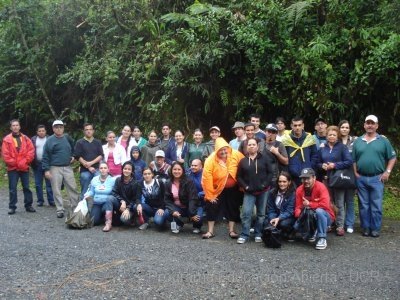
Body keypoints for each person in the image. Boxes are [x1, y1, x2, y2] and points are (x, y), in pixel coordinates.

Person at [352, 115, 397, 237]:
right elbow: (354, 159)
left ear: (377, 125)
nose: (370, 125)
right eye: (368, 123)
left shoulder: (383, 141)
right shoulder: (358, 141)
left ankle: (375, 228)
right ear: (364, 125)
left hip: (377, 178)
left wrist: (387, 172)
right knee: (363, 205)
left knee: (376, 205)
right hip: (361, 178)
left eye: (372, 123)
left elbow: (392, 157)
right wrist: (355, 173)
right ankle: (366, 227)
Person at [201, 137, 244, 239]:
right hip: (216, 188)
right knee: (211, 206)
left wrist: (243, 184)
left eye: (225, 149)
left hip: (233, 187)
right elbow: (207, 177)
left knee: (232, 207)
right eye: (221, 150)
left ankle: (232, 231)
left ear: (228, 148)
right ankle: (210, 231)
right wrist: (210, 195)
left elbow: (245, 165)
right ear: (216, 151)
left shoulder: (236, 154)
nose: (224, 152)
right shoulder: (210, 159)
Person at [317, 126, 353, 236]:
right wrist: (321, 165)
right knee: (327, 202)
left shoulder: (342, 147)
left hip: (338, 179)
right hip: (326, 179)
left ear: (337, 136)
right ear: (326, 136)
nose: (331, 136)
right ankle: (329, 223)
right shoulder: (323, 147)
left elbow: (349, 161)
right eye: (329, 135)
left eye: (334, 134)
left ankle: (340, 226)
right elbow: (317, 162)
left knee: (339, 203)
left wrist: (335, 165)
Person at [236, 138, 273, 244]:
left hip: (263, 190)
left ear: (258, 146)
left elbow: (270, 173)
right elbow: (238, 177)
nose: (251, 146)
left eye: (253, 144)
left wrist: (264, 184)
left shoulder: (265, 158)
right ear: (247, 147)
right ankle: (244, 234)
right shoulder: (243, 161)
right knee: (246, 213)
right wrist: (245, 187)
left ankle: (258, 233)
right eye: (249, 145)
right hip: (249, 191)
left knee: (261, 214)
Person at [42, 120, 79, 218]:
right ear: (53, 128)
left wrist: (73, 156)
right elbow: (45, 155)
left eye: (61, 127)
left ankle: (75, 207)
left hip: (67, 166)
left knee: (73, 187)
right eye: (56, 127)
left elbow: (74, 146)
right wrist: (46, 170)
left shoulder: (67, 137)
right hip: (54, 167)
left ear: (63, 128)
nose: (59, 129)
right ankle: (60, 209)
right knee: (56, 189)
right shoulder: (49, 140)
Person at [294, 168, 335, 250]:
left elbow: (325, 205)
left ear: (314, 178)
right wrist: (301, 216)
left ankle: (322, 238)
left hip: (326, 216)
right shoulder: (299, 190)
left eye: (308, 178)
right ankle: (311, 233)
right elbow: (297, 208)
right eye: (303, 178)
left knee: (319, 211)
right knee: (296, 225)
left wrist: (310, 204)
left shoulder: (321, 187)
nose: (305, 181)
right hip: (309, 214)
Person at [2, 119, 35, 214]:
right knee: (12, 188)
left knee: (27, 187)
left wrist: (24, 162)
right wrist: (17, 163)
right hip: (13, 168)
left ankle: (28, 205)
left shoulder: (26, 138)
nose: (15, 127)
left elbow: (31, 151)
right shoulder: (6, 140)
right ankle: (12, 207)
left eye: (17, 125)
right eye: (13, 125)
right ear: (11, 127)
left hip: (24, 167)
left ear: (19, 127)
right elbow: (5, 155)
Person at [165, 162, 202, 234]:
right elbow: (167, 199)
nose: (176, 171)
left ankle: (197, 226)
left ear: (182, 171)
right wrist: (173, 211)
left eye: (179, 169)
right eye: (174, 169)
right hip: (178, 207)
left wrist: (192, 214)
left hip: (191, 207)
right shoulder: (168, 182)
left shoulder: (189, 181)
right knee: (167, 213)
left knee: (198, 217)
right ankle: (179, 223)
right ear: (171, 170)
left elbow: (193, 198)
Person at [281, 116, 318, 186]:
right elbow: (284, 157)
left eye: (299, 125)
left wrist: (310, 166)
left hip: (307, 174)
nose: (297, 127)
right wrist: (287, 172)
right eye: (295, 125)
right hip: (292, 175)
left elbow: (314, 155)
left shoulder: (309, 138)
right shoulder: (286, 140)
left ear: (303, 125)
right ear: (291, 126)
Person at [83, 162, 116, 232]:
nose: (103, 170)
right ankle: (101, 216)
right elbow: (91, 191)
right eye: (101, 168)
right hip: (96, 203)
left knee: (108, 204)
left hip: (106, 203)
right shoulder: (94, 179)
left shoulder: (113, 180)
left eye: (105, 168)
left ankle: (108, 221)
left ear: (108, 170)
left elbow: (115, 193)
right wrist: (87, 194)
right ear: (99, 170)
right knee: (95, 222)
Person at [74, 123, 104, 198]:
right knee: (85, 186)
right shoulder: (79, 142)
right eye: (86, 130)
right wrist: (88, 167)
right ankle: (83, 208)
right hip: (84, 170)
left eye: (90, 129)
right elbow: (78, 156)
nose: (88, 131)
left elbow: (101, 155)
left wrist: (91, 163)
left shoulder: (97, 142)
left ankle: (97, 206)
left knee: (99, 188)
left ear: (93, 131)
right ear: (84, 131)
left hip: (96, 169)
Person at [338, 119, 357, 232]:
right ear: (339, 128)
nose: (344, 129)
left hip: (351, 174)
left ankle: (349, 224)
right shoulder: (335, 140)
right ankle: (339, 223)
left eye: (346, 127)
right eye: (342, 127)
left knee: (350, 200)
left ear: (349, 129)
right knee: (339, 201)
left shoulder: (355, 140)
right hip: (338, 175)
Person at [266, 172, 296, 240]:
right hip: (275, 216)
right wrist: (272, 219)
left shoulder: (293, 194)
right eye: (280, 181)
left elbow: (290, 211)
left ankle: (290, 232)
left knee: (283, 224)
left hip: (288, 217)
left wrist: (278, 218)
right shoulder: (272, 192)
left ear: (289, 182)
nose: (282, 184)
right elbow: (271, 209)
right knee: (267, 222)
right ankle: (277, 232)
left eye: (284, 181)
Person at [111, 161, 141, 225]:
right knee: (110, 198)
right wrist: (122, 201)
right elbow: (114, 192)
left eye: (129, 169)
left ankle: (133, 217)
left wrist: (128, 209)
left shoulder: (136, 183)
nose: (126, 171)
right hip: (121, 205)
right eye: (125, 169)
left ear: (132, 171)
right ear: (122, 169)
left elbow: (136, 199)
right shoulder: (118, 180)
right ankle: (111, 218)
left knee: (123, 220)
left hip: (130, 207)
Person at [31, 125, 54, 207]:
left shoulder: (50, 139)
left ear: (46, 131)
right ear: (37, 132)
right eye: (39, 131)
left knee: (49, 183)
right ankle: (40, 200)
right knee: (38, 184)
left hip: (48, 164)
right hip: (37, 164)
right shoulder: (33, 139)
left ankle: (51, 200)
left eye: (43, 131)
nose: (41, 132)